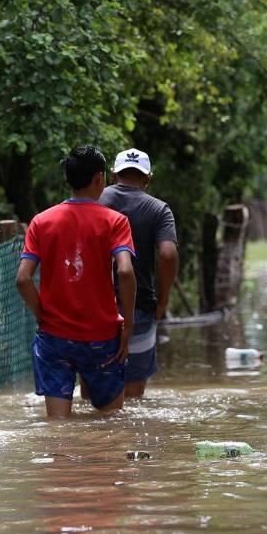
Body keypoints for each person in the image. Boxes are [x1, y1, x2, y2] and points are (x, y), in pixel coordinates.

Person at [15, 145, 137, 418]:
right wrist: (127, 324)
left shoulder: (41, 222)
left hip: (54, 337)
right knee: (110, 424)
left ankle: (62, 462)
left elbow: (23, 279)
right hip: (102, 336)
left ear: (68, 180)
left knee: (58, 427)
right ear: (99, 179)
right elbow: (126, 272)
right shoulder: (115, 221)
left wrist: (43, 315)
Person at [99, 148, 178, 398]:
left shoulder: (94, 203)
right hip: (140, 306)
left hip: (94, 309)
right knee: (133, 397)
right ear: (148, 178)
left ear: (113, 175)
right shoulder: (159, 209)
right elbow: (168, 254)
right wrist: (162, 302)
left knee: (94, 390)